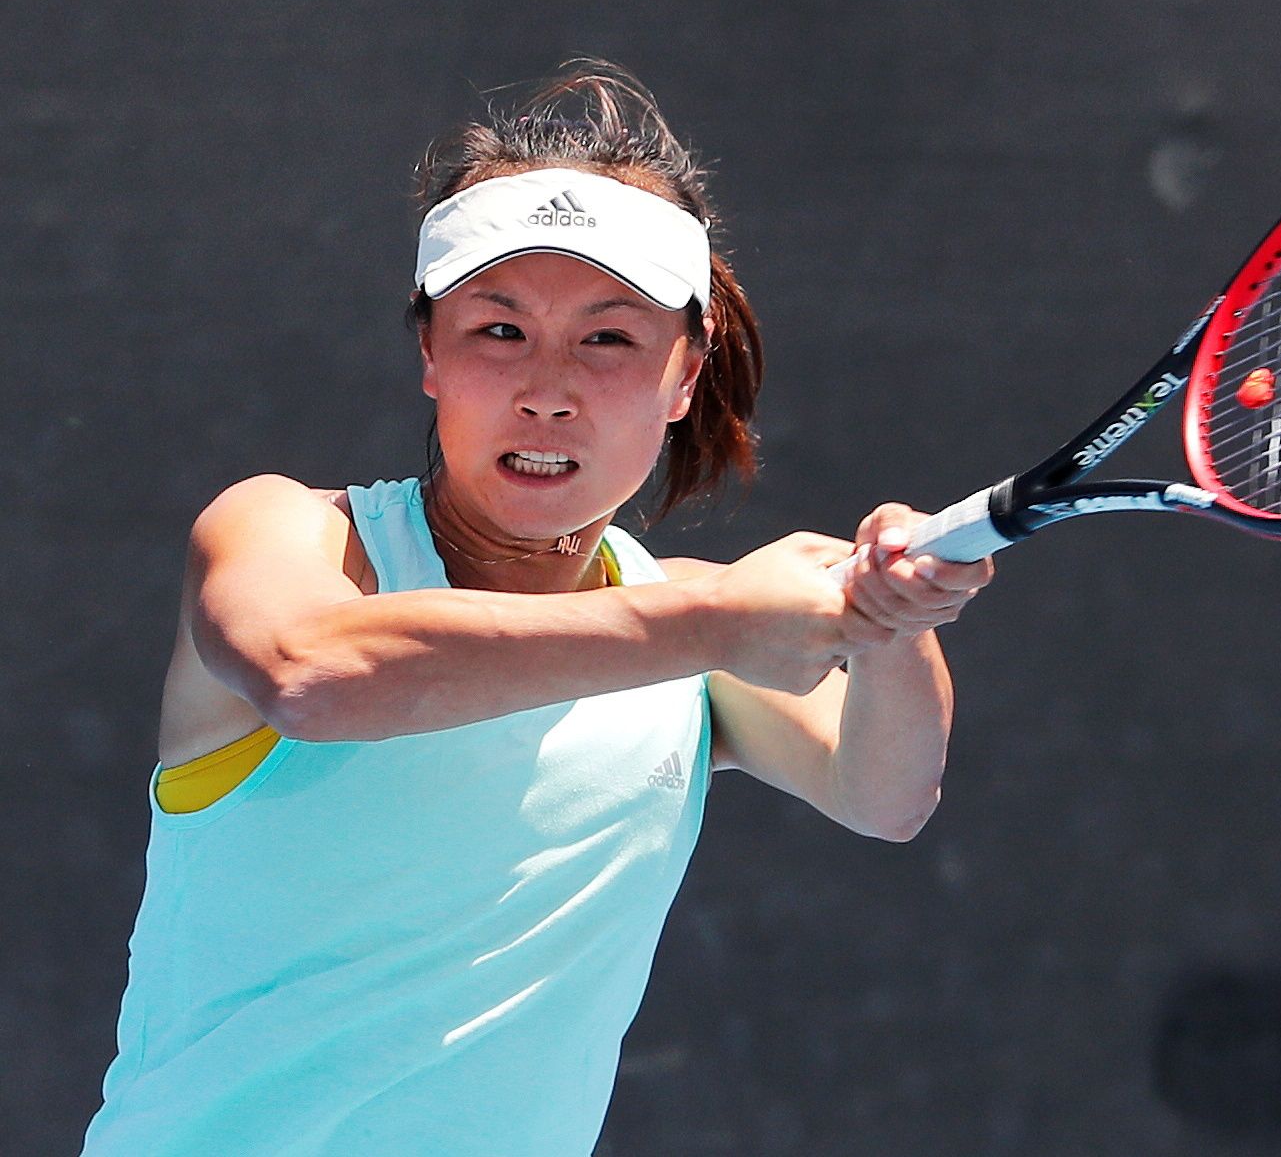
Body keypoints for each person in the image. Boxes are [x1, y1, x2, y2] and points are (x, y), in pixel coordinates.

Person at [81, 59, 992, 1156]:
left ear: (685, 377)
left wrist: (891, 623)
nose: (546, 387)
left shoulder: (695, 624)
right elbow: (309, 673)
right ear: (429, 350)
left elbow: (883, 792)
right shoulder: (291, 534)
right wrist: (714, 628)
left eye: (608, 338)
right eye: (497, 330)